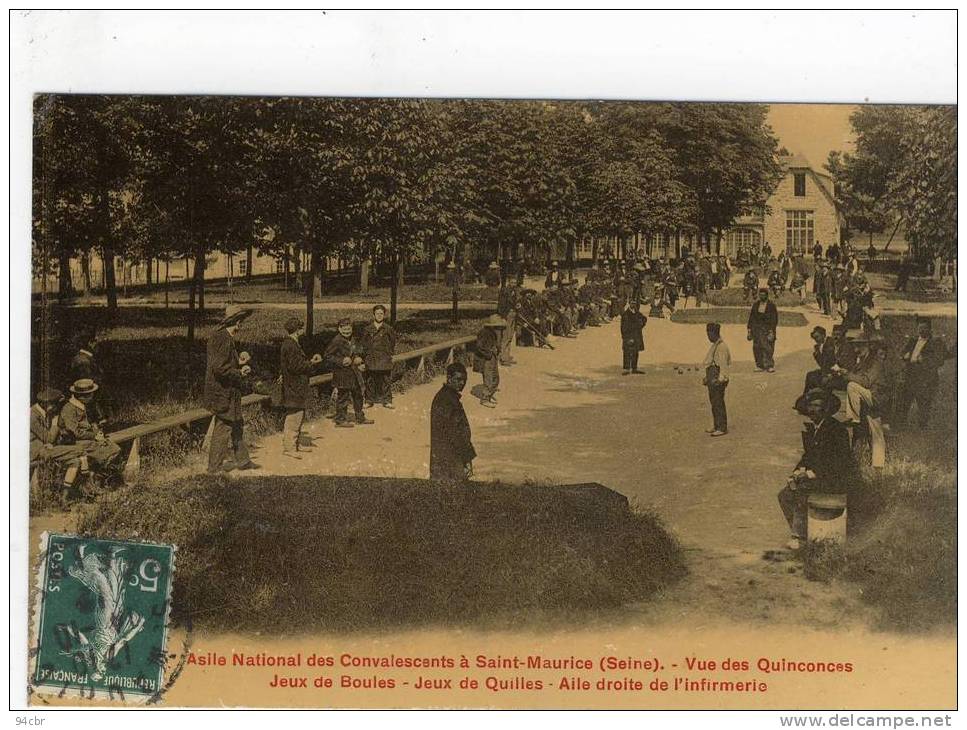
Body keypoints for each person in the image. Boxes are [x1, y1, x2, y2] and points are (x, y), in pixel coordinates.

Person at [778, 389, 857, 550]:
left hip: (836, 479)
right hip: (822, 477)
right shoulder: (816, 427)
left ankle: (799, 537)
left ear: (826, 409)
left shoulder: (836, 430)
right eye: (810, 406)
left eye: (817, 405)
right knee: (785, 494)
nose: (812, 410)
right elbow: (808, 456)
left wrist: (811, 474)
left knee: (801, 489)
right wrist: (797, 471)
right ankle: (805, 532)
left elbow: (840, 462)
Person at [204, 305, 258, 472]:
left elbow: (224, 363)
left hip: (228, 390)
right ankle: (214, 468)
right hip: (222, 391)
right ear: (232, 322)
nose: (239, 327)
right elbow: (219, 368)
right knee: (225, 426)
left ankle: (243, 460)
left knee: (236, 423)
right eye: (238, 323)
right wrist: (239, 372)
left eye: (240, 323)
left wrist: (239, 362)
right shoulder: (222, 338)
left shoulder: (225, 337)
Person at [279, 317, 323, 459]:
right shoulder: (291, 345)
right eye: (301, 328)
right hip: (294, 386)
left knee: (298, 415)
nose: (302, 330)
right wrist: (312, 363)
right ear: (297, 330)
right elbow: (295, 367)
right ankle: (289, 448)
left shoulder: (291, 343)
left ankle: (294, 445)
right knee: (294, 416)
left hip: (295, 385)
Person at [30, 387, 86, 496]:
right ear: (47, 404)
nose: (56, 409)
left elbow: (49, 438)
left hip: (44, 448)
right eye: (55, 405)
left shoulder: (43, 412)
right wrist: (55, 423)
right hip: (34, 451)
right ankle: (87, 484)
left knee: (75, 461)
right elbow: (49, 438)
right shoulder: (32, 415)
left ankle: (64, 497)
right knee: (80, 449)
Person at [57, 379, 122, 472]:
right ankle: (101, 475)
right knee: (106, 451)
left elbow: (87, 425)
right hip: (71, 441)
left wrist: (97, 431)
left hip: (84, 439)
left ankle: (103, 474)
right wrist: (94, 435)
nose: (93, 396)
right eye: (91, 394)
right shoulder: (69, 409)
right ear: (82, 397)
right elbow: (74, 432)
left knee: (114, 448)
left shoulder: (82, 405)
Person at [896, 317, 948, 428]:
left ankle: (922, 426)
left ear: (929, 329)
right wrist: (905, 356)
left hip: (925, 377)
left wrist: (924, 360)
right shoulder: (913, 340)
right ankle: (901, 424)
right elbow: (902, 353)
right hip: (910, 374)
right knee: (905, 399)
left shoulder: (935, 342)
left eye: (924, 328)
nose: (921, 331)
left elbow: (939, 360)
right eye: (919, 328)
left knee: (923, 402)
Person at [429, 363, 477, 484]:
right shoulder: (446, 400)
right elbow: (453, 432)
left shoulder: (449, 397)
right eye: (458, 379)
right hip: (449, 458)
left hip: (451, 456)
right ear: (449, 379)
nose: (462, 383)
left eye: (464, 380)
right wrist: (466, 457)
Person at [324, 317, 373, 428]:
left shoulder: (353, 339)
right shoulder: (336, 341)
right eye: (344, 329)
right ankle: (340, 420)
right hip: (342, 374)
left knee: (358, 395)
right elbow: (327, 356)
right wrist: (341, 361)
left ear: (352, 329)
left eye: (349, 329)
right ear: (339, 329)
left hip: (354, 373)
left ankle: (360, 417)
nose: (347, 332)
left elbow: (355, 352)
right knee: (343, 397)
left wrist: (358, 359)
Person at [361, 304, 397, 409]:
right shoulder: (368, 329)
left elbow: (392, 342)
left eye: (381, 313)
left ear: (384, 315)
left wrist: (388, 353)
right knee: (370, 380)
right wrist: (366, 356)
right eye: (377, 313)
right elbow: (364, 343)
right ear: (373, 315)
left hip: (384, 357)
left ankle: (387, 400)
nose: (379, 315)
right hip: (371, 358)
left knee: (385, 379)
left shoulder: (388, 329)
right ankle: (369, 400)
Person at [701, 322, 731, 437]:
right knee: (714, 403)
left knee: (718, 403)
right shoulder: (715, 345)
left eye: (709, 334)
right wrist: (707, 378)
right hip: (712, 377)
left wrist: (720, 379)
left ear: (714, 333)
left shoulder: (721, 347)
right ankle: (716, 424)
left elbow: (723, 365)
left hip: (718, 378)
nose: (708, 337)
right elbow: (710, 363)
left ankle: (722, 427)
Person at [473, 314, 505, 408]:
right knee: (489, 379)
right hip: (486, 358)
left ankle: (489, 394)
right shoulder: (485, 333)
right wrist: (489, 353)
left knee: (495, 378)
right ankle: (485, 398)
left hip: (492, 357)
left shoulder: (494, 333)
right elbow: (479, 346)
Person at [747, 288, 778, 373]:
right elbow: (751, 318)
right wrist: (749, 330)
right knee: (757, 347)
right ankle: (759, 365)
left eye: (763, 295)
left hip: (767, 329)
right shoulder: (756, 305)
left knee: (768, 347)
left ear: (767, 296)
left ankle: (769, 365)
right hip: (756, 329)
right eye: (760, 295)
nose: (762, 296)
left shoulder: (771, 306)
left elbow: (774, 319)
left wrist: (771, 331)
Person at [803, 326, 837, 393]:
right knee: (810, 375)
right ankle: (807, 395)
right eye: (814, 338)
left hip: (832, 371)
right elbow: (821, 364)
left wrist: (826, 375)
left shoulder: (830, 343)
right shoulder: (819, 346)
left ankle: (810, 396)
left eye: (817, 337)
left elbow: (828, 361)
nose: (816, 340)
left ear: (823, 335)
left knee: (814, 377)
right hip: (826, 370)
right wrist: (817, 354)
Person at [620, 301, 647, 375]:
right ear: (629, 304)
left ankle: (634, 368)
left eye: (635, 303)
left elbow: (644, 318)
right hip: (629, 335)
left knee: (635, 351)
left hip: (637, 335)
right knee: (627, 351)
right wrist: (627, 337)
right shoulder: (626, 314)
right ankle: (626, 368)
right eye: (632, 303)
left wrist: (641, 325)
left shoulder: (637, 313)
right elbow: (623, 328)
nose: (633, 305)